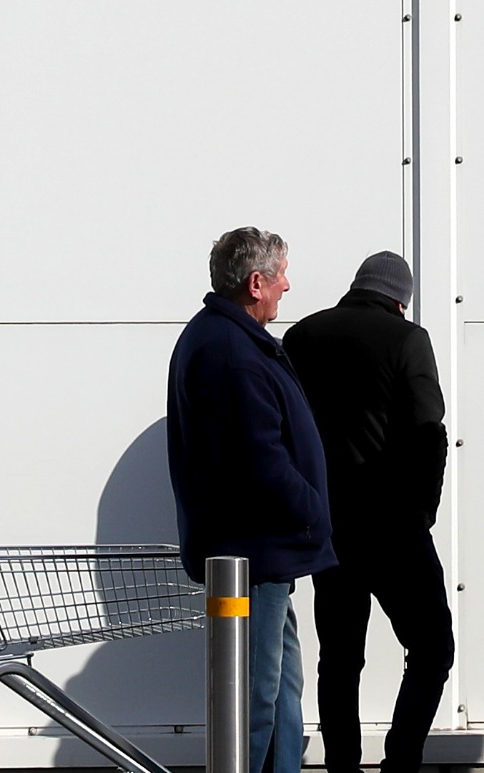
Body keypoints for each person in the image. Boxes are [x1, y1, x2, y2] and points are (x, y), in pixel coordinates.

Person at [169, 229, 333, 773]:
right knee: (256, 697)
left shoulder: (231, 339)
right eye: (282, 273)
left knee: (282, 686)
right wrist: (311, 509)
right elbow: (257, 458)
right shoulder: (230, 351)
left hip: (264, 552)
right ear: (255, 282)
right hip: (255, 552)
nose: (288, 285)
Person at [286, 252, 453, 773]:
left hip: (329, 529)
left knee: (338, 661)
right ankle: (400, 762)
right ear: (400, 299)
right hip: (394, 526)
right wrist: (422, 511)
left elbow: (286, 433)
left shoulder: (302, 337)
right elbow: (431, 432)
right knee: (431, 649)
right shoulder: (407, 339)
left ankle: (342, 768)